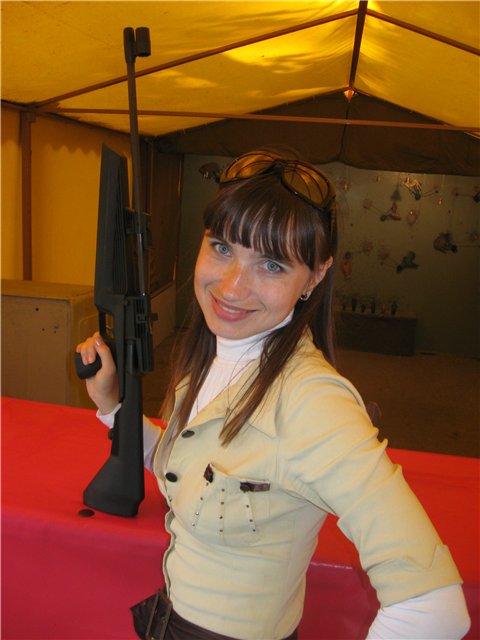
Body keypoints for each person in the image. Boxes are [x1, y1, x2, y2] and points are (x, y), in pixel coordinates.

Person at [77, 148, 470, 640]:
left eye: (271, 264)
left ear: (316, 275)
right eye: (222, 247)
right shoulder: (211, 359)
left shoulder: (313, 403)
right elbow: (184, 470)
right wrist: (113, 405)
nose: (231, 286)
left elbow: (434, 609)